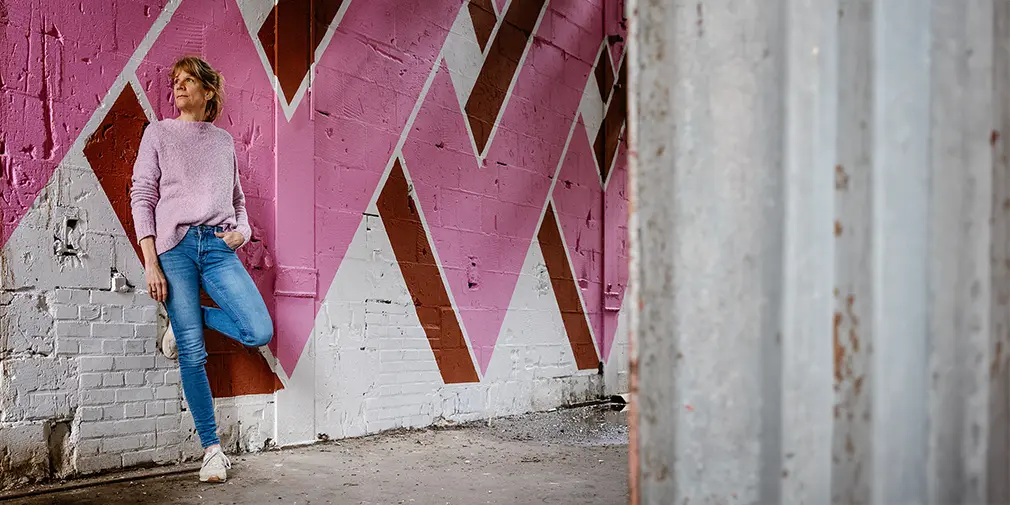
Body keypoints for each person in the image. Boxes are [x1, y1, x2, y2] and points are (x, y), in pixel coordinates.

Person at [129, 56, 274, 483]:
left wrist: (243, 231)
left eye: (189, 81)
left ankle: (184, 319)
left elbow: (238, 200)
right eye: (176, 81)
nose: (179, 87)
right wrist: (150, 262)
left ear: (208, 91)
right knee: (192, 352)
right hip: (173, 247)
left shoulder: (224, 142)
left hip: (216, 245)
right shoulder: (158, 133)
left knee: (258, 330)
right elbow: (142, 197)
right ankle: (212, 450)